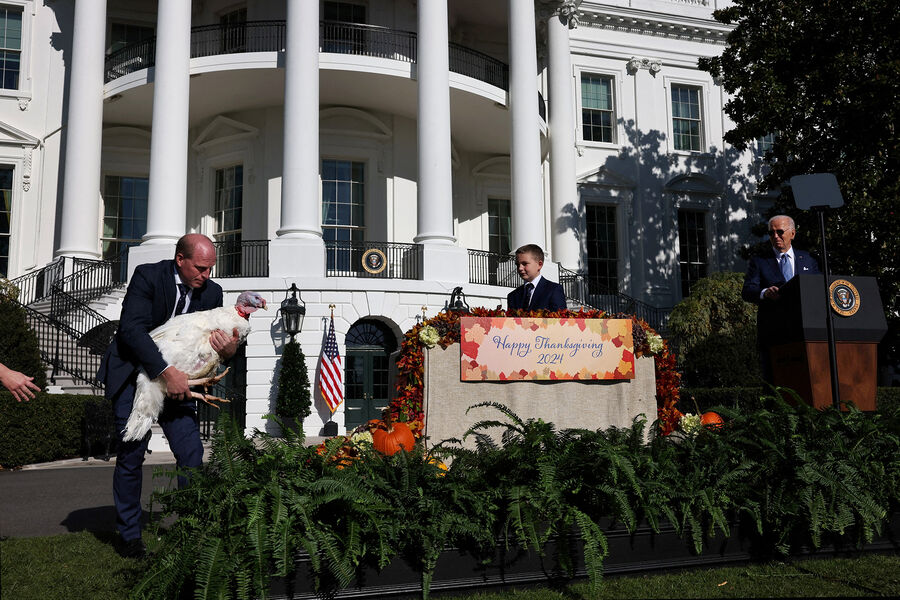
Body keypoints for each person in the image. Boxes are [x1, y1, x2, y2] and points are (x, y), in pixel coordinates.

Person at [98, 234, 240, 558]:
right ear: (180, 260)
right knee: (131, 456)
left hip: (181, 384)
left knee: (191, 453)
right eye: (200, 268)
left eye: (210, 269)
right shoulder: (148, 276)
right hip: (135, 375)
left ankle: (193, 529)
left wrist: (229, 349)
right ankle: (129, 536)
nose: (206, 276)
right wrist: (165, 371)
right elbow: (131, 331)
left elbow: (222, 346)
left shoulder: (213, 292)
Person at [741, 215, 821, 382]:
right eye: (771, 233)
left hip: (804, 331)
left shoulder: (808, 259)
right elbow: (748, 290)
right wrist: (765, 293)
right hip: (774, 333)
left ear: (792, 233)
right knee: (775, 382)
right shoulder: (760, 261)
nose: (775, 236)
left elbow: (818, 288)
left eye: (780, 232)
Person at [507, 244, 567, 311]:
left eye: (524, 264)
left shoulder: (553, 290)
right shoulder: (513, 296)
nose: (520, 268)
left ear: (539, 264)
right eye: (518, 264)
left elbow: (560, 319)